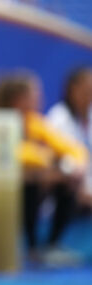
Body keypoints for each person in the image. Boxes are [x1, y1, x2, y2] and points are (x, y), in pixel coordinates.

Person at [0, 70, 88, 266]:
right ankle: (30, 248)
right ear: (18, 100)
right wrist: (52, 162)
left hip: (31, 183)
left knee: (65, 182)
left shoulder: (34, 123)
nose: (40, 99)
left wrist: (74, 165)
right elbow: (18, 155)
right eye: (35, 95)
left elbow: (72, 148)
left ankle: (52, 245)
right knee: (31, 180)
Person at [46, 67, 92, 209]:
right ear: (72, 90)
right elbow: (58, 168)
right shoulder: (57, 119)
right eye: (86, 90)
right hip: (66, 203)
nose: (89, 95)